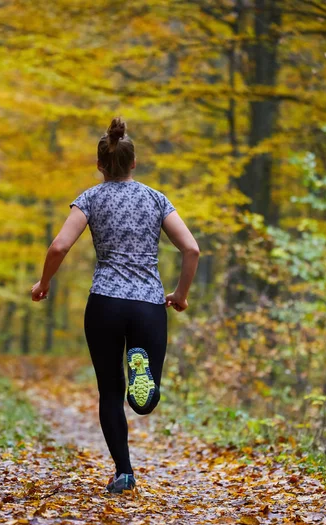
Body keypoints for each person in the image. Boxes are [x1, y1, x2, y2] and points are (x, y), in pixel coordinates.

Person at [31, 117, 200, 494]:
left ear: (100, 165)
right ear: (134, 163)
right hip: (147, 303)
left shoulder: (90, 198)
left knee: (109, 390)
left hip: (105, 302)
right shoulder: (156, 199)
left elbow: (59, 246)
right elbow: (191, 248)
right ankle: (144, 382)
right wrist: (180, 294)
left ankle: (124, 472)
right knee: (143, 397)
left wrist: (44, 283)